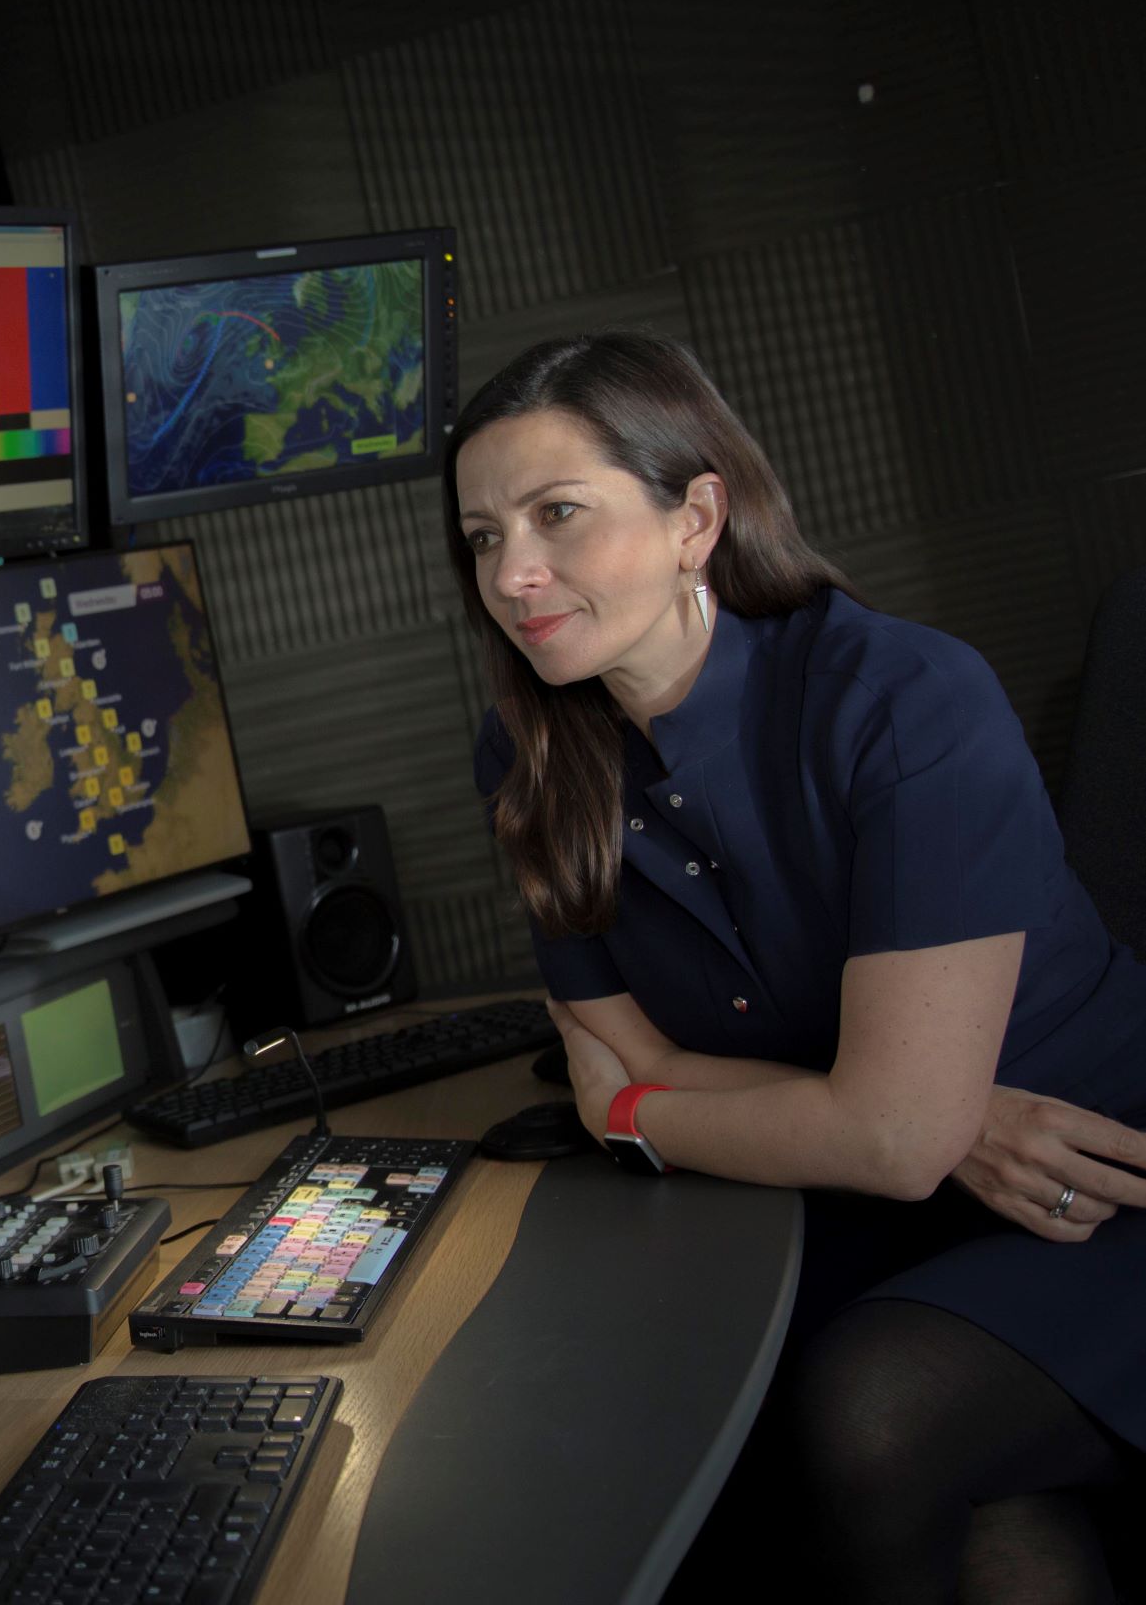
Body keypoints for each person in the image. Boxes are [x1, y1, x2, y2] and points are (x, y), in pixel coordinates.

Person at [451, 333, 1146, 1602]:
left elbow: (819, 1122)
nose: (513, 573)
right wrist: (906, 1116)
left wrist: (657, 1110)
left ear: (694, 516)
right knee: (634, 1412)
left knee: (874, 1419)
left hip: (1090, 1172)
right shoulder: (528, 758)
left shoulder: (902, 696)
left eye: (558, 516)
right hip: (848, 1196)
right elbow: (633, 1073)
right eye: (483, 536)